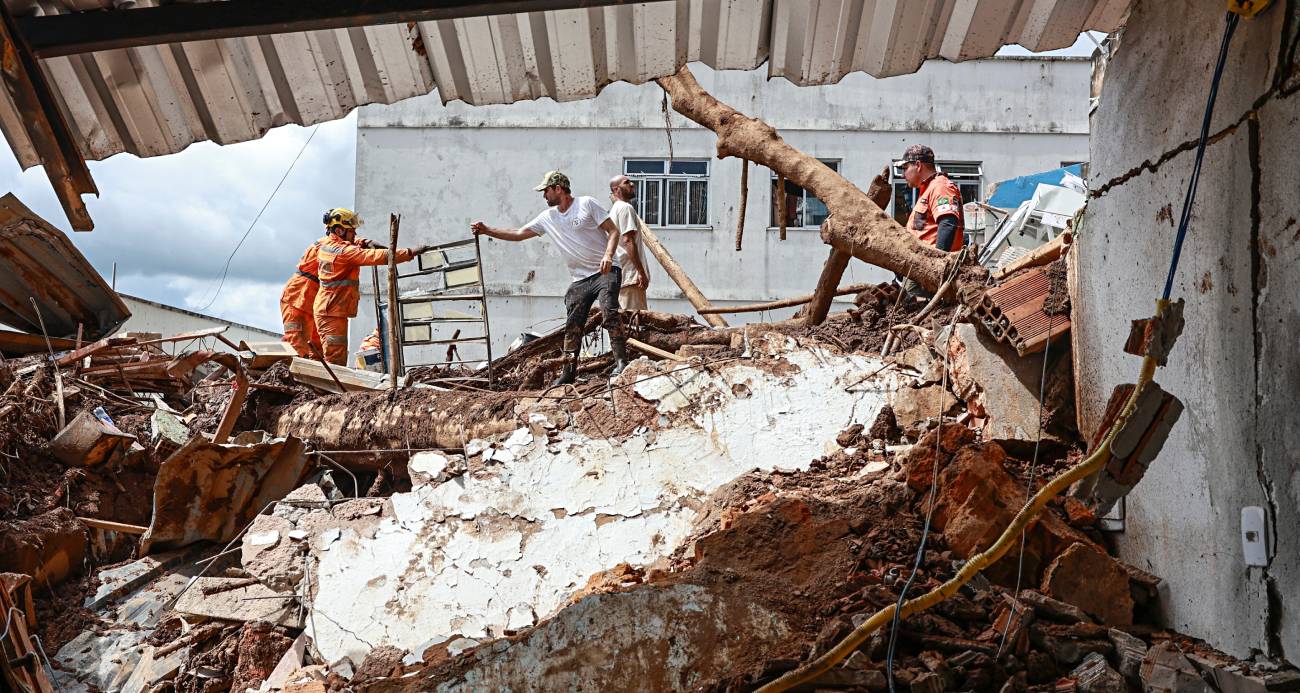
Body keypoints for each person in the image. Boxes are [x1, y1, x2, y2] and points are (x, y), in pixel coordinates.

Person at [471, 170, 629, 385]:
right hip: (580, 279)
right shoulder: (548, 217)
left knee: (609, 310)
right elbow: (518, 234)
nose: (544, 196)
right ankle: (568, 373)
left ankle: (621, 363)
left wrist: (608, 255)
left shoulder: (586, 204)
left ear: (558, 189)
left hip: (605, 271)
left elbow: (613, 231)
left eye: (546, 191)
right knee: (573, 324)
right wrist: (487, 230)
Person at [313, 208, 431, 365]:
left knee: (337, 357)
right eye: (352, 230)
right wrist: (410, 252)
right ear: (340, 230)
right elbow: (377, 256)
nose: (355, 233)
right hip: (331, 312)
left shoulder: (330, 243)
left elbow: (352, 242)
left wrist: (365, 242)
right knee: (335, 360)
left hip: (332, 310)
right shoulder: (343, 252)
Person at [894, 144, 965, 298]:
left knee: (917, 306)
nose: (903, 174)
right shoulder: (928, 189)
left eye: (905, 168)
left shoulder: (940, 187)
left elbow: (947, 223)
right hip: (920, 265)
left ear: (918, 165)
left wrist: (937, 265)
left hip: (927, 267)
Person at [607, 175, 651, 311]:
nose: (632, 184)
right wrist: (640, 272)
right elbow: (628, 240)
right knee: (634, 320)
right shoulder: (625, 208)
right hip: (630, 276)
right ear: (616, 189)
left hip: (620, 276)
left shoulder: (614, 209)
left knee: (623, 319)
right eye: (626, 182)